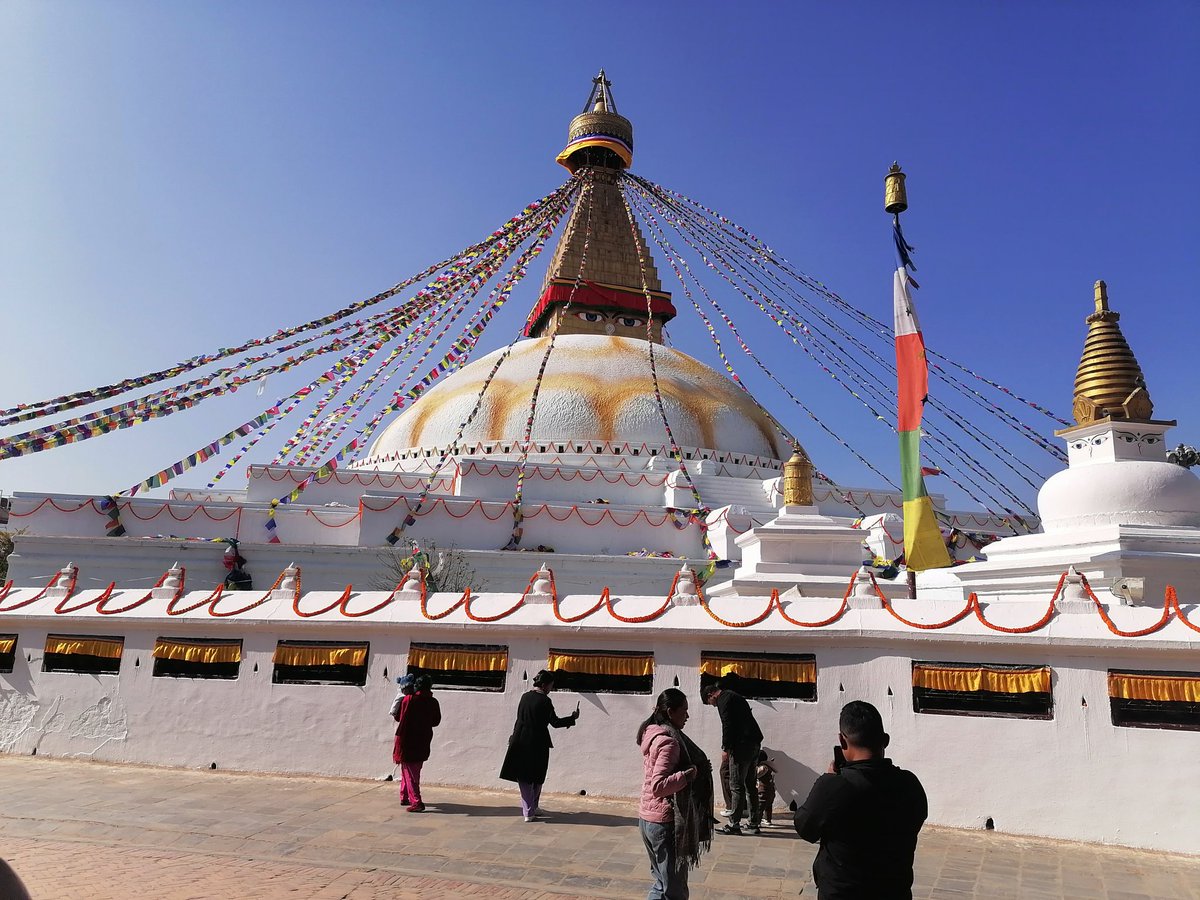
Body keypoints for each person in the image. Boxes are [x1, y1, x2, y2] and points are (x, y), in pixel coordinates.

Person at [793, 701, 927, 899]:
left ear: (842, 741)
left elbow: (805, 828)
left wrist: (828, 781)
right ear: (885, 740)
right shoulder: (910, 784)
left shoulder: (834, 786)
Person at [636, 687, 714, 900]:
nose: (687, 716)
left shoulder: (653, 732)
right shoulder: (669, 741)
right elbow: (659, 786)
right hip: (663, 822)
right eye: (684, 711)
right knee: (674, 890)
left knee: (662, 885)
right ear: (670, 712)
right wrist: (688, 775)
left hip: (648, 817)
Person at [499, 669, 579, 822]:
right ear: (544, 685)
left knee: (525, 777)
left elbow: (519, 719)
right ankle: (529, 810)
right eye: (550, 686)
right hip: (537, 743)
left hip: (520, 740)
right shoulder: (545, 701)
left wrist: (513, 734)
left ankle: (531, 808)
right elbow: (555, 723)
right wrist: (572, 718)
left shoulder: (524, 697)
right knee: (536, 776)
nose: (551, 689)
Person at [701, 678, 763, 835]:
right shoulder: (734, 696)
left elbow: (727, 725)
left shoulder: (724, 700)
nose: (713, 705)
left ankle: (734, 824)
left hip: (740, 747)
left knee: (736, 785)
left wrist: (726, 748)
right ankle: (754, 823)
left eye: (711, 703)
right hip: (754, 743)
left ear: (711, 695)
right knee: (750, 785)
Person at [393, 674, 441, 812]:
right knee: (411, 769)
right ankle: (404, 796)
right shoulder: (433, 702)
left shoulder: (409, 699)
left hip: (407, 739)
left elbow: (399, 718)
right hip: (424, 739)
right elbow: (436, 721)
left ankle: (416, 801)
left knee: (410, 771)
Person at [755, 750, 777, 826]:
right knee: (768, 806)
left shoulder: (763, 767)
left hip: (763, 791)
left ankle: (757, 822)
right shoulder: (770, 766)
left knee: (760, 807)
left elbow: (757, 774)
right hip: (771, 790)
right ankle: (768, 820)